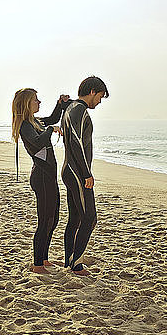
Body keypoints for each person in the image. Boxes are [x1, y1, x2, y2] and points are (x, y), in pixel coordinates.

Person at [12, 88, 70, 274]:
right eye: (36, 100)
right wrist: (50, 130)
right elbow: (38, 142)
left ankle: (44, 258)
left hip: (49, 177)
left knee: (53, 220)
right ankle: (37, 264)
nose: (39, 102)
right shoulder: (25, 125)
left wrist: (59, 105)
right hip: (42, 177)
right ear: (26, 103)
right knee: (45, 221)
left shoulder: (35, 121)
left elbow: (52, 119)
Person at [61, 76, 109, 276]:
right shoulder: (79, 110)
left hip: (70, 170)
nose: (99, 101)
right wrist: (86, 173)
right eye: (100, 96)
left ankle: (69, 261)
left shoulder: (71, 108)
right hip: (76, 172)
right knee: (90, 218)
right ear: (92, 92)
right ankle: (76, 264)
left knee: (76, 218)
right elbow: (76, 141)